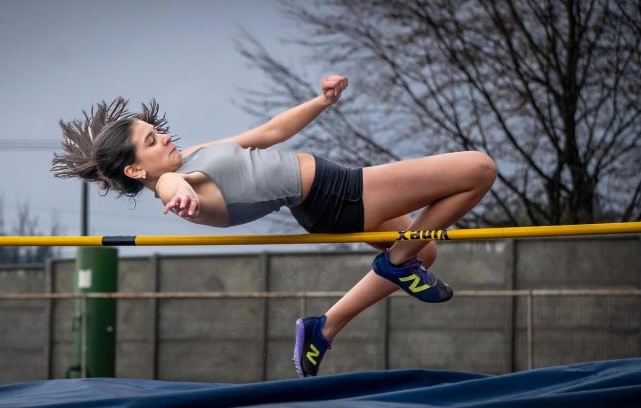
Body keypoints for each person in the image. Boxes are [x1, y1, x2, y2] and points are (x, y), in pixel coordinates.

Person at [52, 75, 497, 377]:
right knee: (479, 169)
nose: (165, 137)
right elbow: (171, 185)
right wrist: (176, 191)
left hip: (325, 199)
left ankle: (324, 327)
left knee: (426, 249)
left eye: (156, 130)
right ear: (134, 171)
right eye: (151, 141)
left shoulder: (193, 157)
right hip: (337, 194)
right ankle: (399, 262)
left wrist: (321, 102)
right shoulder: (179, 180)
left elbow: (268, 134)